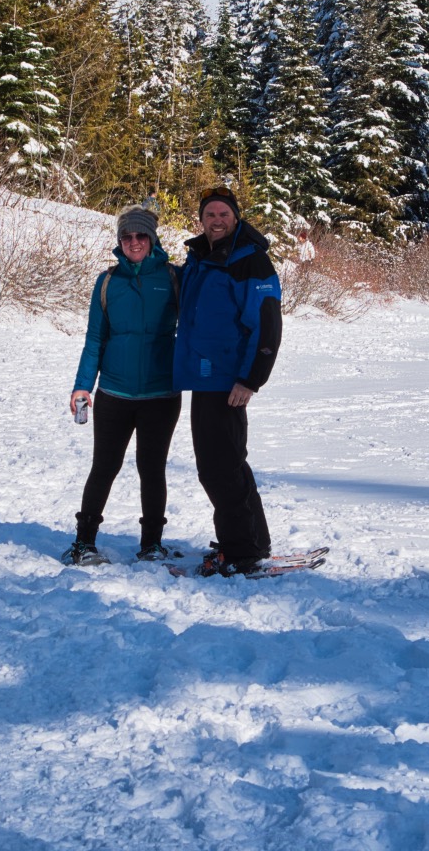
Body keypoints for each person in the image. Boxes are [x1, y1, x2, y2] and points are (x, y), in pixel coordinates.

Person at [62, 204, 181, 565]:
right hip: (114, 393)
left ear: (152, 238)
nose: (134, 242)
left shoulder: (175, 278)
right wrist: (83, 385)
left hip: (162, 394)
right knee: (105, 466)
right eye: (126, 236)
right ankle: (84, 542)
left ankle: (152, 544)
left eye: (140, 235)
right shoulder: (108, 281)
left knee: (152, 468)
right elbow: (95, 339)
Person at [173, 186, 282, 576]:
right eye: (209, 215)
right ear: (201, 220)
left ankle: (239, 553)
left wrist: (250, 380)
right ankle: (254, 540)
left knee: (217, 468)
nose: (216, 221)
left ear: (235, 217)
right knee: (231, 463)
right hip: (206, 377)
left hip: (227, 381)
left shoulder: (250, 260)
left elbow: (266, 326)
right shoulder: (202, 256)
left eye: (223, 214)